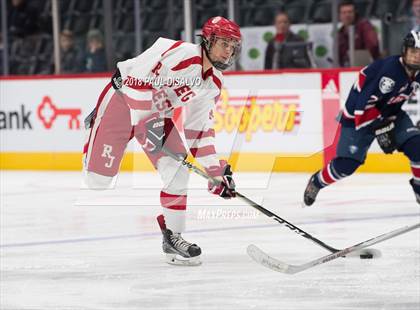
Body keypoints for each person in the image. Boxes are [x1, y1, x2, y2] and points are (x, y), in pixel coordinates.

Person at [82, 16, 240, 265]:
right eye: (224, 43)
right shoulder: (182, 55)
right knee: (97, 181)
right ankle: (96, 132)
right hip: (122, 102)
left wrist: (215, 172)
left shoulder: (213, 84)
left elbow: (198, 131)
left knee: (178, 173)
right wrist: (146, 116)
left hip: (155, 116)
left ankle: (172, 238)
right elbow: (132, 81)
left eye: (233, 46)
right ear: (207, 41)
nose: (229, 51)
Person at [303, 30, 420, 207]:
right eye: (413, 51)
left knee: (417, 148)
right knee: (346, 165)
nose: (416, 57)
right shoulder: (389, 73)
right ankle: (317, 182)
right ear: (404, 50)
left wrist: (387, 124)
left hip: (390, 113)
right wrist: (381, 128)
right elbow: (362, 106)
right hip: (359, 118)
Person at [338, 0, 380, 67]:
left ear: (355, 13)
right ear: (339, 15)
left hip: (367, 67)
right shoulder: (340, 32)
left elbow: (373, 45)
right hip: (346, 68)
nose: (347, 15)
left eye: (350, 12)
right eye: (344, 12)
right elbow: (339, 54)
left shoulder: (365, 26)